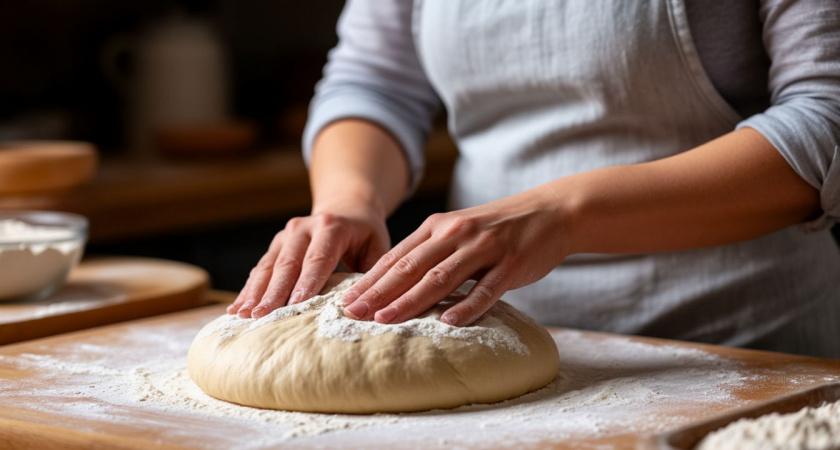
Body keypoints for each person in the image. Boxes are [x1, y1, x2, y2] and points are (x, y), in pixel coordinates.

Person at [228, 0, 840, 357]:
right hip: (479, 333)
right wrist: (350, 199)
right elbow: (375, 83)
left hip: (741, 345)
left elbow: (826, 116)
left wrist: (564, 213)